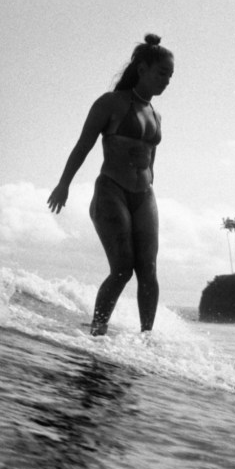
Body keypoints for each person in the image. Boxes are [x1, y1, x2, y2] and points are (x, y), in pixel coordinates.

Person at [47, 34, 174, 336]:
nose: (166, 81)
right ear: (142, 69)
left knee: (148, 270)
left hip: (144, 195)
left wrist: (149, 184)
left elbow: (150, 159)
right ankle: (97, 331)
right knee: (122, 268)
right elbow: (83, 145)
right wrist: (64, 184)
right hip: (111, 190)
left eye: (170, 76)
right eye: (161, 73)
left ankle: (146, 340)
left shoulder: (156, 115)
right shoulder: (111, 103)